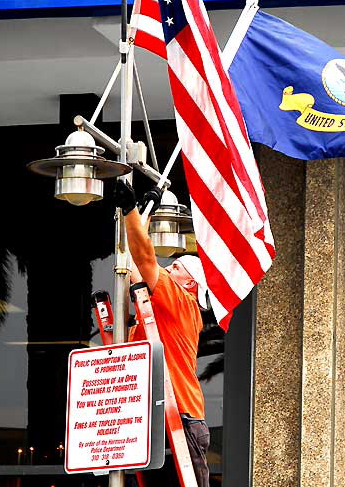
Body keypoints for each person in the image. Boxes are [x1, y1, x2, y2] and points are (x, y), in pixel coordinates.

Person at [114, 179, 210, 487]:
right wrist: (144, 214)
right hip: (159, 415)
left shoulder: (182, 303)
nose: (171, 268)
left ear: (191, 283)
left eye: (178, 266)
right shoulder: (158, 307)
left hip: (179, 415)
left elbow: (145, 261)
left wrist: (130, 210)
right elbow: (130, 270)